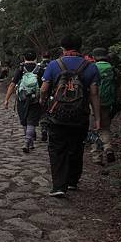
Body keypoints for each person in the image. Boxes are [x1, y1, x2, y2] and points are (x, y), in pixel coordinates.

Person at [40, 35, 101, 197]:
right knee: (76, 146)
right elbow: (94, 94)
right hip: (80, 114)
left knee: (57, 148)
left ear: (62, 48)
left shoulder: (54, 65)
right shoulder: (90, 67)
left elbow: (44, 89)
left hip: (57, 113)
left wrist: (42, 101)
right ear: (80, 47)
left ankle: (59, 186)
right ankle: (72, 181)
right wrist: (97, 117)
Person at [3, 50, 43, 153]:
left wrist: (6, 99)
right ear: (35, 58)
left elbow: (12, 85)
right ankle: (28, 142)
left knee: (25, 121)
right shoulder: (40, 69)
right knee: (32, 122)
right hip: (35, 99)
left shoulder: (20, 69)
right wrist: (43, 98)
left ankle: (27, 142)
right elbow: (44, 86)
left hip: (22, 98)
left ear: (24, 58)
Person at [90, 47, 121, 164]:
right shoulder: (113, 70)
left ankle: (97, 156)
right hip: (108, 103)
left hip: (93, 103)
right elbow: (118, 88)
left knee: (94, 129)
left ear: (94, 57)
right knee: (105, 128)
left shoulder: (92, 68)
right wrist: (117, 101)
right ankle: (108, 148)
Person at [38, 52, 52, 142]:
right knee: (51, 111)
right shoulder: (54, 64)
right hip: (53, 92)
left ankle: (43, 128)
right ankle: (50, 129)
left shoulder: (38, 66)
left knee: (43, 110)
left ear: (42, 57)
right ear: (50, 57)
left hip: (42, 90)